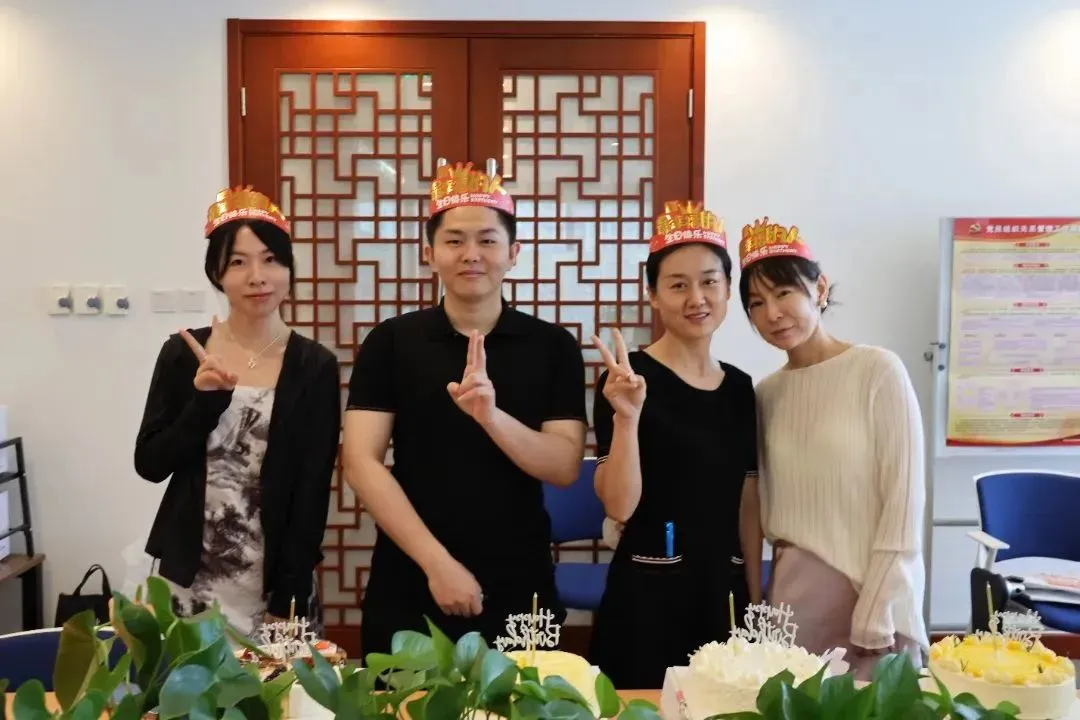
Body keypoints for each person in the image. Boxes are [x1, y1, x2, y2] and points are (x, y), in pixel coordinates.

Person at [343, 160, 587, 655]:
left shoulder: (552, 346)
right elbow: (360, 461)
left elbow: (563, 466)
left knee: (524, 697)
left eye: (487, 240)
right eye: (454, 240)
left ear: (513, 253)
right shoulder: (391, 342)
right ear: (429, 253)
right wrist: (437, 564)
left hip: (518, 573)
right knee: (400, 697)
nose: (471, 254)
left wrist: (491, 417)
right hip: (412, 569)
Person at [134, 186, 341, 637]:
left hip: (274, 579)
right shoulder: (184, 353)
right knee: (185, 680)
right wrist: (205, 403)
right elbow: (150, 464)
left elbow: (312, 490)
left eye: (271, 260)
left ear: (288, 270)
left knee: (279, 683)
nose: (257, 277)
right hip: (189, 573)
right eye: (238, 262)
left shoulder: (314, 366)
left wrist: (287, 597)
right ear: (217, 273)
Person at [739, 216, 928, 678]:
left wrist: (879, 603)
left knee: (878, 705)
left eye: (784, 293)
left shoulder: (877, 370)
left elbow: (904, 499)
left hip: (869, 591)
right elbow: (756, 501)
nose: (772, 313)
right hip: (794, 597)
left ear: (819, 288)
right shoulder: (765, 394)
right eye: (756, 303)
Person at [588, 201, 761, 689]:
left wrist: (754, 600)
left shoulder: (740, 387)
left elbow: (748, 500)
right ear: (653, 295)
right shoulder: (627, 380)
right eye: (678, 285)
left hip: (723, 590)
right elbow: (619, 505)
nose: (697, 298)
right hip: (647, 593)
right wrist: (628, 419)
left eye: (709, 282)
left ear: (728, 289)